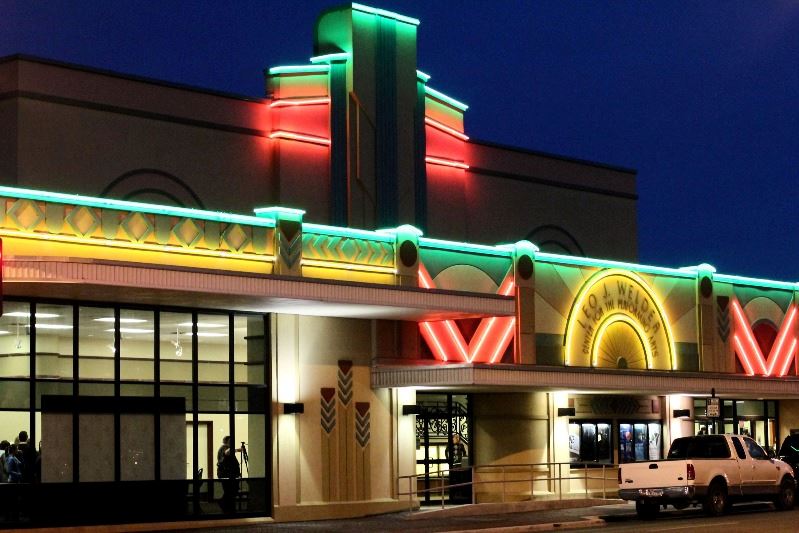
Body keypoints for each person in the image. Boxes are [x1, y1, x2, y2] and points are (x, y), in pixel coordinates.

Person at [216, 436, 241, 514]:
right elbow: (227, 452)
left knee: (229, 491)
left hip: (229, 474)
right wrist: (237, 450)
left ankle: (227, 506)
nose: (232, 443)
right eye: (230, 441)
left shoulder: (227, 448)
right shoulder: (224, 448)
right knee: (229, 491)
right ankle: (225, 505)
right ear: (226, 441)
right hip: (226, 474)